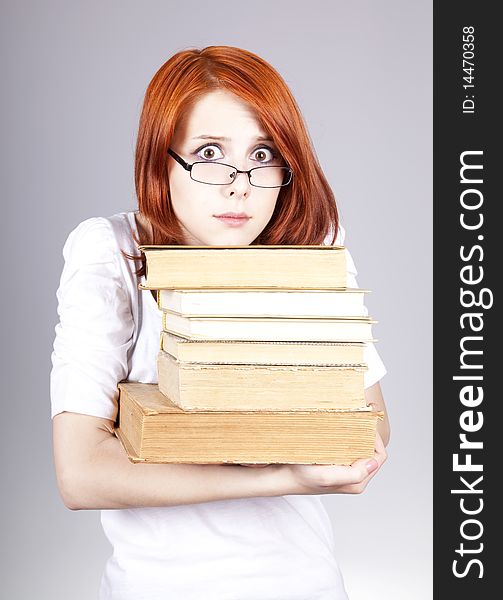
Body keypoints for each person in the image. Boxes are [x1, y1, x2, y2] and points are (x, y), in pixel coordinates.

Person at [51, 45, 390, 600]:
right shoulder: (112, 251)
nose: (241, 185)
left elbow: (371, 426)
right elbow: (81, 473)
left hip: (305, 584)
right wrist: (285, 474)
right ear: (161, 157)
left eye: (263, 155)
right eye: (210, 152)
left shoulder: (314, 248)